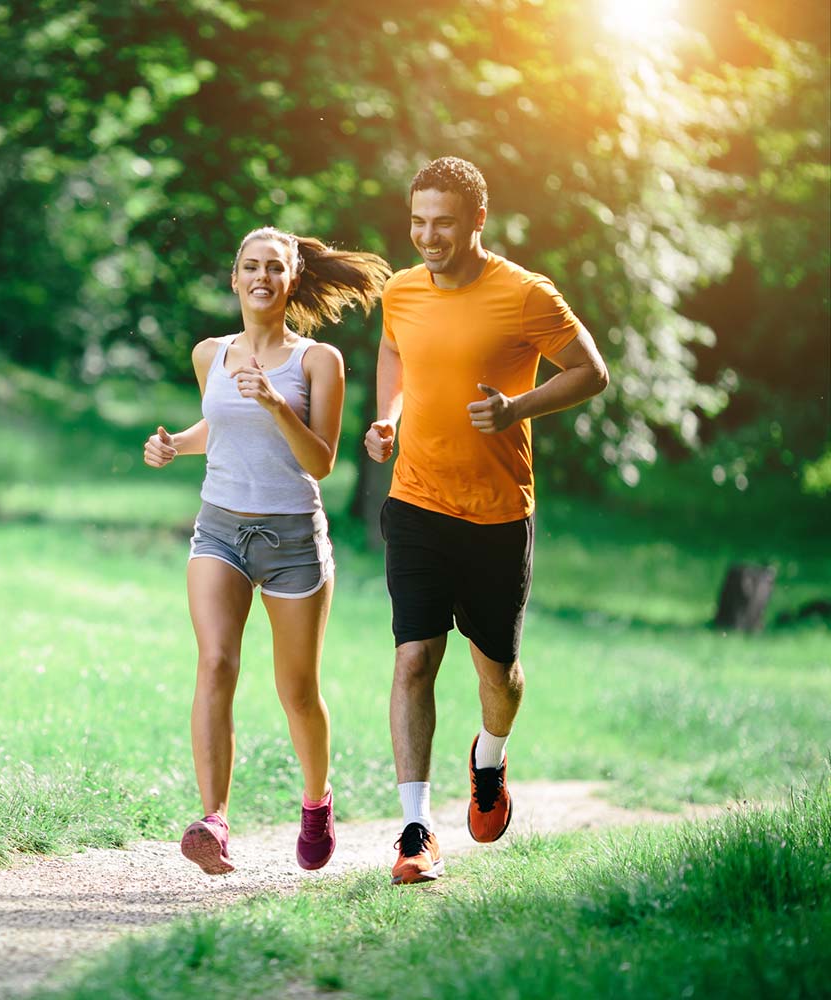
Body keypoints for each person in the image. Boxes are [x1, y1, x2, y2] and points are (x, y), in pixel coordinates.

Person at [364, 156, 609, 885]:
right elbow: (392, 350)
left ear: (477, 218)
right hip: (416, 502)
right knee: (414, 659)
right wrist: (388, 416)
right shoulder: (401, 291)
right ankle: (415, 828)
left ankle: (490, 759)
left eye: (443, 223)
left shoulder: (526, 295)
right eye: (417, 222)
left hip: (499, 514)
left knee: (498, 673)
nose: (428, 237)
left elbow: (591, 372)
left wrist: (514, 409)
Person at [145, 226, 390, 875]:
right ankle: (214, 821)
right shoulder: (210, 353)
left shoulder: (318, 362)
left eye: (274, 268)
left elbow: (323, 461)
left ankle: (316, 802)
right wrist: (175, 444)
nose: (261, 276)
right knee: (217, 662)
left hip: (292, 539)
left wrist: (279, 402)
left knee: (297, 690)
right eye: (250, 265)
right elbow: (220, 427)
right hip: (220, 528)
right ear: (235, 278)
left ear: (292, 280)